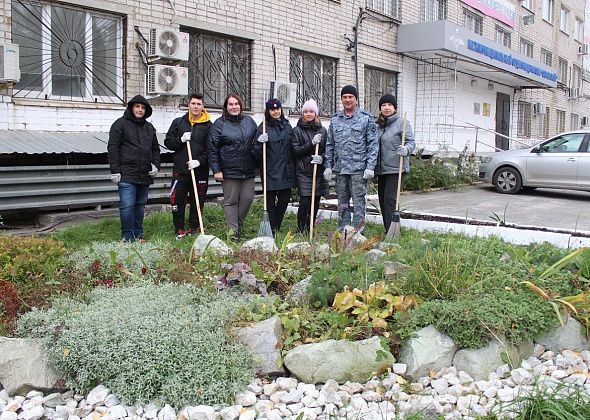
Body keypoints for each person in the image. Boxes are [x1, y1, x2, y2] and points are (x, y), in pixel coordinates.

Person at [324, 85, 378, 232]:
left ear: (356, 99)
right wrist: (328, 165)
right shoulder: (335, 120)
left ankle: (358, 230)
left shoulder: (366, 119)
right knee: (342, 201)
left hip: (359, 169)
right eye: (344, 97)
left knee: (358, 200)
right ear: (341, 99)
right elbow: (330, 144)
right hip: (341, 169)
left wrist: (370, 167)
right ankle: (343, 229)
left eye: (350, 97)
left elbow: (373, 144)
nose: (347, 100)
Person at [108, 95, 160, 241]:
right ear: (131, 107)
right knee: (127, 206)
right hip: (126, 174)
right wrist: (115, 170)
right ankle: (128, 236)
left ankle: (138, 234)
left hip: (144, 174)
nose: (140, 110)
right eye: (137, 106)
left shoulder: (149, 128)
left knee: (140, 206)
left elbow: (155, 149)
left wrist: (156, 165)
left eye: (143, 107)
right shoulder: (120, 124)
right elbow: (113, 148)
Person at [208, 94, 258, 239]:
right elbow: (212, 148)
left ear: (240, 106)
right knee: (231, 201)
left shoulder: (249, 121)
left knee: (247, 199)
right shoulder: (219, 124)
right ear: (226, 107)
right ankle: (233, 232)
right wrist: (216, 170)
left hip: (248, 169)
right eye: (231, 104)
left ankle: (237, 226)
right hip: (228, 170)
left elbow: (256, 142)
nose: (234, 106)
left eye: (236, 104)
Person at [165, 93, 211, 239]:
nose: (196, 106)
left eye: (199, 104)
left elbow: (212, 149)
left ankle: (194, 228)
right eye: (193, 103)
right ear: (188, 105)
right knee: (177, 201)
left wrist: (199, 161)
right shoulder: (178, 122)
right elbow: (168, 142)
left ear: (203, 106)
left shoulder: (209, 125)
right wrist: (181, 139)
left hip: (200, 171)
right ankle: (179, 229)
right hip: (180, 170)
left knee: (197, 200)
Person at [254, 98, 296, 235]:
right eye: (272, 109)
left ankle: (276, 225)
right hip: (270, 171)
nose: (276, 111)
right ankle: (271, 228)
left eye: (278, 109)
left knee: (284, 200)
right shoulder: (263, 127)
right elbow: (255, 152)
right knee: (270, 203)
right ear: (268, 111)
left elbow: (293, 148)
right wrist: (260, 143)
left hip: (286, 171)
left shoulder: (287, 126)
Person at [376, 94, 415, 233]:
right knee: (382, 200)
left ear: (395, 108)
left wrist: (407, 149)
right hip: (381, 169)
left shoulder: (402, 123)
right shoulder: (378, 124)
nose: (386, 108)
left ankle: (393, 232)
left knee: (390, 199)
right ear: (380, 108)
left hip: (396, 168)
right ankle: (389, 228)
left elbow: (411, 142)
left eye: (389, 105)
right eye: (383, 105)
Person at [292, 99, 328, 233]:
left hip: (317, 172)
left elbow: (327, 150)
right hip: (303, 171)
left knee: (315, 202)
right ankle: (301, 229)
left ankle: (310, 227)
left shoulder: (322, 130)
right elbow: (296, 151)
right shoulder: (297, 130)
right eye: (306, 111)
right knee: (305, 202)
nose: (308, 114)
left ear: (315, 113)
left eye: (311, 111)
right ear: (302, 113)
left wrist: (322, 158)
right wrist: (311, 143)